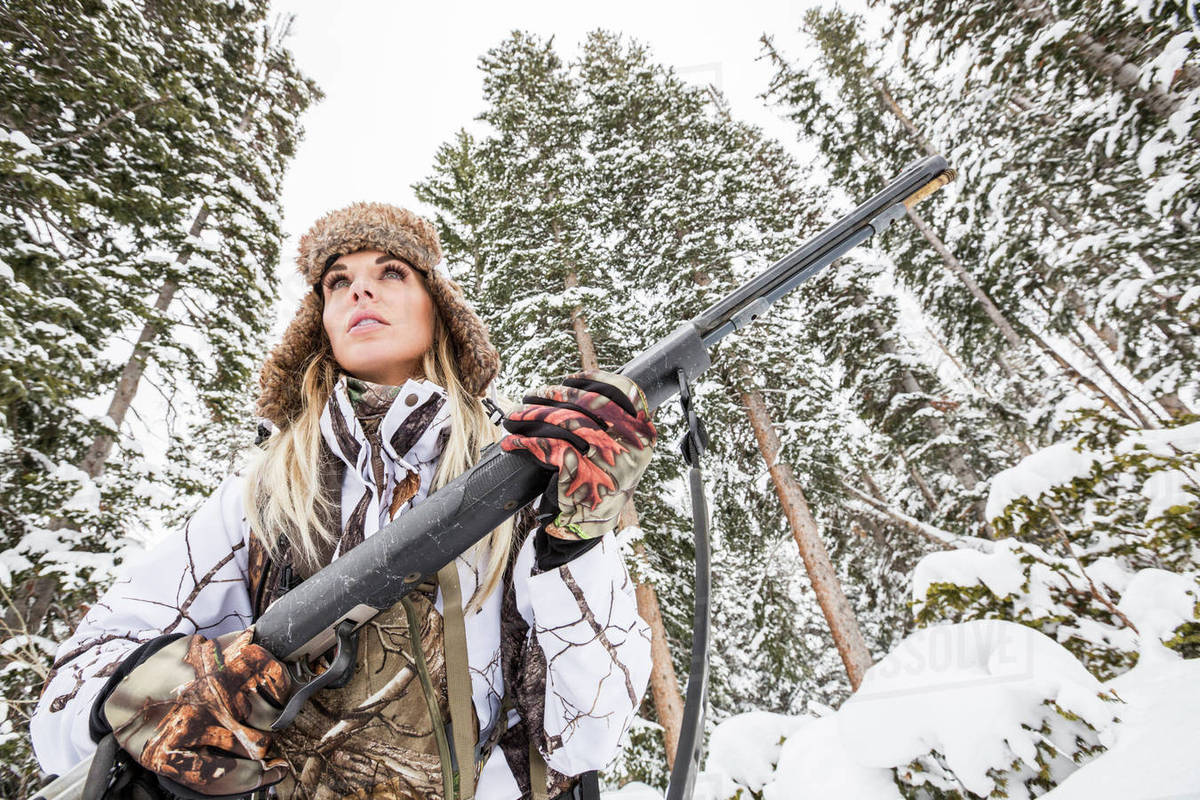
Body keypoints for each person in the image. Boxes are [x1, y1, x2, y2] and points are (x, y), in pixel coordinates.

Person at [30, 203, 656, 800]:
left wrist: (574, 544)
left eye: (392, 272)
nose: (361, 290)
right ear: (322, 323)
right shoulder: (264, 497)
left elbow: (588, 738)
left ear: (438, 309)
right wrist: (166, 695)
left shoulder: (521, 477)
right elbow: (69, 701)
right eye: (338, 281)